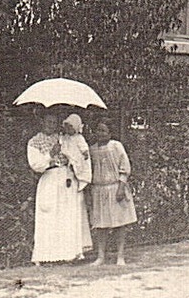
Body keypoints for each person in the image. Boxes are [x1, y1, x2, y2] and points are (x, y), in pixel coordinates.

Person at [27, 110, 93, 264]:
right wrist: (51, 154)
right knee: (49, 216)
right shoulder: (34, 142)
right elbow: (36, 165)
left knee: (67, 216)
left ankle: (69, 254)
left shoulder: (63, 138)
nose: (51, 125)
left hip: (67, 178)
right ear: (42, 122)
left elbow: (77, 152)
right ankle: (47, 256)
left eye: (54, 122)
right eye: (48, 122)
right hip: (50, 179)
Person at [86, 119, 137, 266]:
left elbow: (125, 168)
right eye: (98, 130)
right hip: (99, 189)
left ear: (110, 133)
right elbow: (88, 170)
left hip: (115, 188)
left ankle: (120, 255)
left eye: (103, 130)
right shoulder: (92, 149)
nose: (100, 133)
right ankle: (100, 256)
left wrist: (121, 188)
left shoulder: (116, 146)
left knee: (119, 223)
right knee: (100, 224)